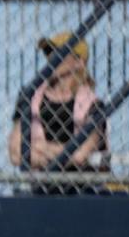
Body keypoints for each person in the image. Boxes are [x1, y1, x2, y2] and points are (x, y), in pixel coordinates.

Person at [8, 32, 109, 192]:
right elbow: (15, 154)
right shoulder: (29, 97)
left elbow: (81, 155)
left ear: (79, 62)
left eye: (59, 53)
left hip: (83, 190)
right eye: (49, 53)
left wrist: (38, 149)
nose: (51, 58)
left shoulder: (93, 104)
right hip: (39, 188)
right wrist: (65, 152)